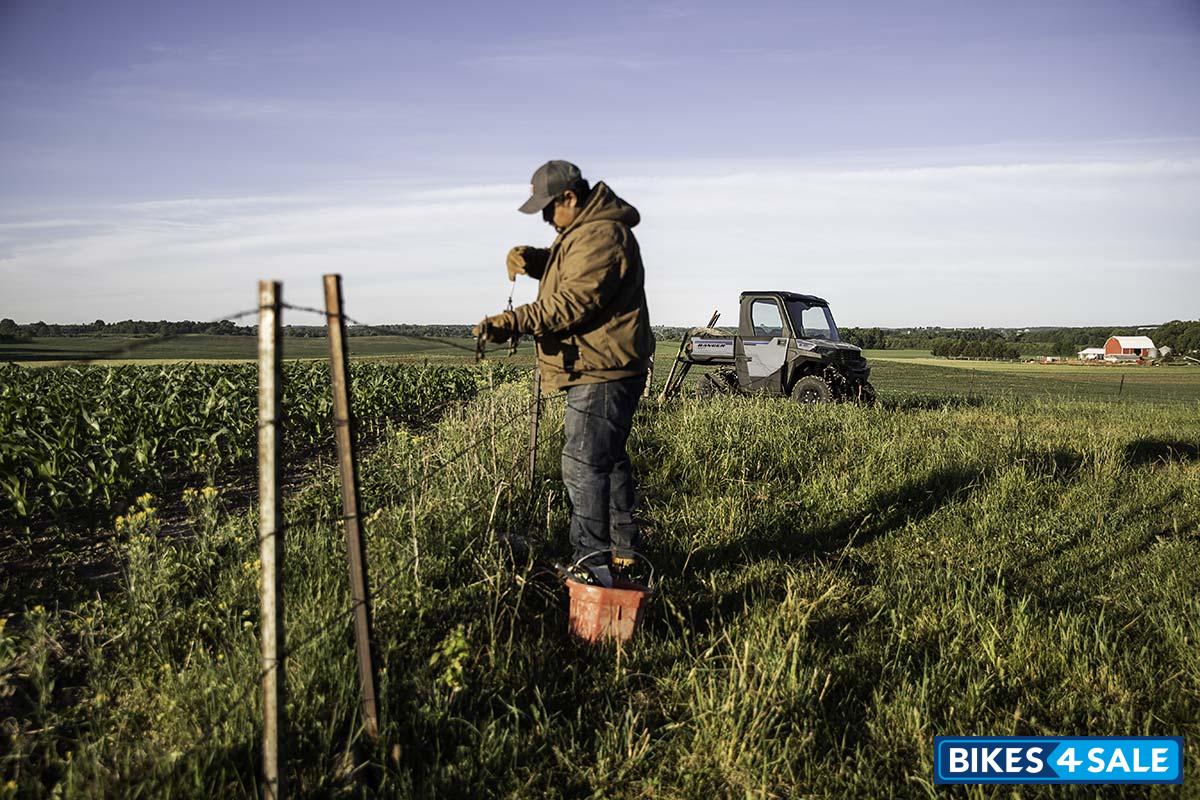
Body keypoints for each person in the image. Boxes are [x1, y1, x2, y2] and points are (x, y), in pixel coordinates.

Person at [473, 160, 653, 587]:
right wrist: (535, 260)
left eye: (548, 208)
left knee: (582, 463)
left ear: (569, 198)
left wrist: (511, 321)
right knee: (606, 458)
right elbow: (567, 269)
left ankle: (590, 567)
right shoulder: (587, 231)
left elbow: (571, 302)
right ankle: (625, 555)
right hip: (601, 362)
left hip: (601, 367)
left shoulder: (603, 233)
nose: (545, 218)